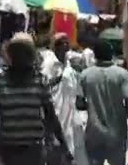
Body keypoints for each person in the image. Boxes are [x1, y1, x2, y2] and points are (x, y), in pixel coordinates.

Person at [0, 33, 73, 165]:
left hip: (33, 151)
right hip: (7, 151)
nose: (20, 57)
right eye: (17, 52)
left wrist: (63, 144)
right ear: (11, 55)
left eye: (24, 52)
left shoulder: (40, 79)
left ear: (30, 55)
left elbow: (50, 115)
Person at [76, 40, 128, 165]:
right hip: (117, 133)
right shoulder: (122, 74)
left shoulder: (85, 75)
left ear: (95, 55)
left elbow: (79, 103)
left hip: (94, 133)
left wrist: (92, 104)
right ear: (111, 54)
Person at [49, 33, 88, 165]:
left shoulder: (70, 68)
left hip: (70, 113)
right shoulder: (50, 65)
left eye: (67, 42)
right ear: (56, 46)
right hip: (55, 111)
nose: (66, 45)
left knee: (70, 148)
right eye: (62, 42)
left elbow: (78, 92)